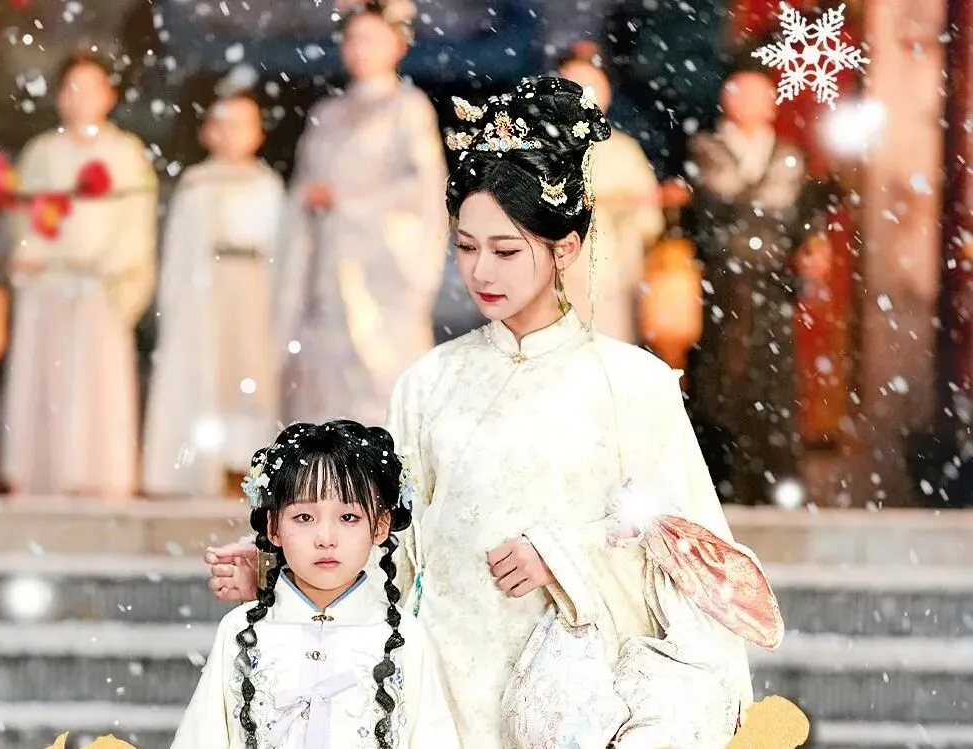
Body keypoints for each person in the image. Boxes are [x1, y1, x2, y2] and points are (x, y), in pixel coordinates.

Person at [207, 77, 782, 747]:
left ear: (565, 248)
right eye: (466, 246)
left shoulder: (633, 383)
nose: (482, 272)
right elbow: (394, 544)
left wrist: (563, 557)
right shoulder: (429, 382)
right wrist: (282, 565)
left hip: (576, 700)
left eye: (506, 250)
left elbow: (684, 548)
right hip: (441, 695)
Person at [172, 420, 460, 749]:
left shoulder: (406, 638)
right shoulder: (238, 630)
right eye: (304, 517)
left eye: (348, 517)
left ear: (380, 526)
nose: (325, 538)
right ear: (274, 527)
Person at [274, 0, 448, 427]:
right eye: (353, 39)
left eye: (372, 39)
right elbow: (304, 186)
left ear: (398, 45)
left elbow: (423, 187)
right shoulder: (326, 113)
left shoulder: (408, 107)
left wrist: (348, 203)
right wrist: (308, 200)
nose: (360, 49)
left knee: (382, 367)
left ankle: (389, 457)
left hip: (380, 264)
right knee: (325, 368)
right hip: (328, 259)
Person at [0, 52, 157, 497]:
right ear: (59, 97)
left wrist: (109, 266)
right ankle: (42, 474)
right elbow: (23, 220)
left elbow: (137, 221)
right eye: (72, 88)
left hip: (102, 286)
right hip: (50, 283)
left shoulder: (126, 152)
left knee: (97, 384)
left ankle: (101, 478)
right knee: (47, 380)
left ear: (109, 96)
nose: (81, 98)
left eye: (91, 88)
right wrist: (35, 254)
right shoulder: (42, 152)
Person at [684, 67, 827, 504]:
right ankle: (717, 481)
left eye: (759, 96)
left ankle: (774, 484)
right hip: (722, 280)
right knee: (718, 377)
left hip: (773, 282)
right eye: (741, 95)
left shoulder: (789, 155)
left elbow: (803, 219)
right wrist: (756, 217)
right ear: (727, 101)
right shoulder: (705, 148)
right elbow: (704, 214)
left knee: (772, 376)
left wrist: (808, 246)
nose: (750, 104)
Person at [142, 84, 286, 497]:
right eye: (223, 124)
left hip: (253, 289)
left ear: (258, 132)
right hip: (204, 291)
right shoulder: (197, 183)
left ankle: (245, 463)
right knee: (203, 374)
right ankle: (198, 466)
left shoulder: (267, 184)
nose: (231, 134)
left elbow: (282, 250)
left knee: (247, 378)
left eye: (242, 124)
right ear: (206, 131)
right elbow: (179, 252)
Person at [556, 42, 664, 342]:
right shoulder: (535, 150)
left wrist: (623, 207)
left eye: (590, 87)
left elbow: (649, 220)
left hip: (611, 280)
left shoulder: (624, 151)